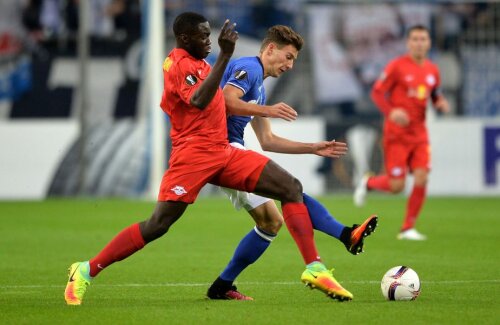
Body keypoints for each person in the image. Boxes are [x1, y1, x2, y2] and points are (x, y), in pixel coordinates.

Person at [64, 12, 356, 306]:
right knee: (158, 224)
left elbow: (246, 123)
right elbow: (199, 100)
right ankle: (86, 269)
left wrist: (309, 145)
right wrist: (225, 56)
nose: (209, 41)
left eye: (209, 35)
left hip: (224, 151)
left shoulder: (201, 63)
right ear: (184, 38)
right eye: (203, 36)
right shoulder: (179, 64)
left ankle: (315, 267)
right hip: (192, 154)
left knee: (290, 187)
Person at [206, 25, 378, 301]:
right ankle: (341, 240)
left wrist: (313, 148)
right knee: (290, 190)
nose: (290, 65)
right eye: (288, 57)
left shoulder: (259, 86)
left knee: (271, 223)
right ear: (270, 49)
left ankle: (221, 286)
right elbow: (227, 100)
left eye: (294, 60)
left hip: (230, 149)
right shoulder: (248, 68)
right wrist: (268, 109)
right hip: (221, 150)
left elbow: (268, 141)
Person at [353, 25, 449, 240]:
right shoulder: (397, 66)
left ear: (429, 42)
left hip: (420, 135)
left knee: (422, 177)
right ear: (408, 43)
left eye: (423, 39)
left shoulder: (432, 70)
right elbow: (377, 92)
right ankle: (368, 182)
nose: (419, 43)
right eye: (415, 39)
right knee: (397, 186)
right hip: (396, 135)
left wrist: (440, 102)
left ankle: (407, 228)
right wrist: (391, 111)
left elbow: (435, 94)